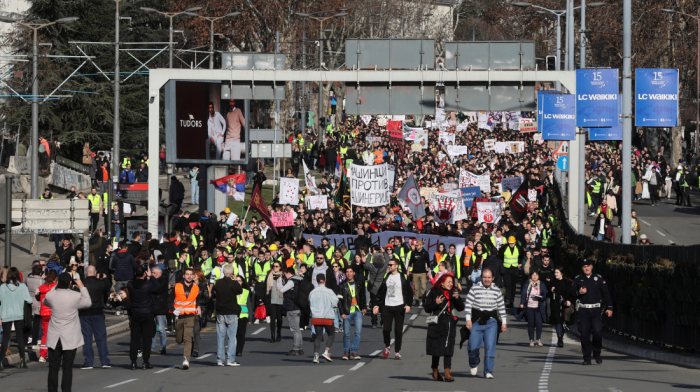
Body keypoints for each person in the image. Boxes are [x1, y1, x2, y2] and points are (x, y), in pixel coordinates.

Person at [43, 273, 92, 392]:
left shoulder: (52, 295)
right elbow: (88, 303)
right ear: (70, 283)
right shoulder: (75, 296)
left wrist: (56, 286)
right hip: (69, 336)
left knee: (53, 368)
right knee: (67, 368)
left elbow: (45, 301)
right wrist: (82, 287)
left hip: (55, 337)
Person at [465, 268, 508, 379]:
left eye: (489, 277)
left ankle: (488, 371)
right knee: (473, 346)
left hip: (491, 322)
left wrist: (504, 322)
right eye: (484, 277)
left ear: (493, 278)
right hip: (477, 321)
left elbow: (501, 307)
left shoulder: (497, 290)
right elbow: (468, 304)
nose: (487, 280)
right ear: (481, 278)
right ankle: (474, 362)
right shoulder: (475, 288)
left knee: (490, 346)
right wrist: (468, 319)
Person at [570, 259, 613, 365]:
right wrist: (578, 292)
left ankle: (597, 352)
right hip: (583, 310)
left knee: (597, 332)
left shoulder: (598, 278)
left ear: (592, 266)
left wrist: (610, 307)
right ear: (582, 268)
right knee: (584, 334)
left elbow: (606, 293)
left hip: (595, 310)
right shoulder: (578, 279)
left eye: (588, 266)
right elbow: (571, 293)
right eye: (584, 266)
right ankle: (586, 357)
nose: (586, 268)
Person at [424, 274, 464, 382]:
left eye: (452, 282)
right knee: (437, 348)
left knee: (448, 347)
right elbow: (427, 308)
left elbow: (461, 308)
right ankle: (435, 369)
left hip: (449, 322)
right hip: (438, 323)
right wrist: (435, 303)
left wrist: (457, 298)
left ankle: (447, 372)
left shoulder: (453, 293)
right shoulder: (434, 292)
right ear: (442, 282)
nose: (451, 284)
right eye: (448, 282)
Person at [373, 257, 413, 360]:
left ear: (397, 266)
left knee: (398, 330)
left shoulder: (403, 277)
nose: (389, 266)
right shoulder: (386, 276)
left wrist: (408, 304)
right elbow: (381, 292)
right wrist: (377, 304)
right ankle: (387, 346)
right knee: (386, 329)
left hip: (399, 306)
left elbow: (409, 292)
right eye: (388, 265)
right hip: (387, 306)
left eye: (391, 265)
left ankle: (397, 351)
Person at [126, 265, 161, 369]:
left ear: (135, 274)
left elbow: (132, 281)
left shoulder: (130, 284)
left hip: (135, 313)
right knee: (147, 339)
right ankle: (145, 361)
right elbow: (157, 286)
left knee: (134, 338)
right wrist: (152, 276)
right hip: (147, 313)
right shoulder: (148, 285)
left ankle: (133, 361)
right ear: (145, 274)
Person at [79, 266, 112, 369]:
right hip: (98, 312)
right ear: (95, 272)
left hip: (84, 312)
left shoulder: (82, 283)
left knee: (87, 337)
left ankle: (89, 362)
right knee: (101, 337)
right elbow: (108, 288)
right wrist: (105, 278)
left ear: (86, 272)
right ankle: (105, 361)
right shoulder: (100, 282)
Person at [0, 267, 33, 369]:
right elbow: (29, 300)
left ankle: (1, 361)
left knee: (5, 337)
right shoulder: (22, 286)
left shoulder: (3, 287)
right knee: (20, 337)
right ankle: (22, 360)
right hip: (19, 314)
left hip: (5, 314)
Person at [213, 264, 243, 366]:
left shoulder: (218, 283)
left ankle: (220, 360)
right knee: (232, 337)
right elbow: (240, 290)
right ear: (232, 273)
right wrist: (235, 280)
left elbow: (214, 293)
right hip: (232, 312)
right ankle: (230, 359)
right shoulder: (233, 283)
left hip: (221, 311)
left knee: (220, 337)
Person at [174, 268, 202, 370]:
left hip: (190, 316)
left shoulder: (195, 287)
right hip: (179, 316)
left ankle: (186, 360)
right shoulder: (177, 286)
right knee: (179, 339)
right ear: (184, 276)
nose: (189, 276)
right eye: (187, 274)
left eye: (191, 274)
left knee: (188, 338)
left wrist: (198, 306)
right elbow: (169, 300)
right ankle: (178, 338)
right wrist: (173, 310)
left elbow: (197, 299)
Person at [338, 265, 366, 360]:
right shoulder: (342, 285)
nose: (349, 273)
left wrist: (364, 307)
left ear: (354, 273)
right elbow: (339, 301)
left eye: (350, 271)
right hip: (347, 311)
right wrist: (341, 312)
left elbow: (362, 296)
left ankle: (354, 352)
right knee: (346, 333)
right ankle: (346, 352)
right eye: (347, 272)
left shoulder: (359, 283)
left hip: (357, 310)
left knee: (358, 332)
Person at [309, 274, 338, 363]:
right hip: (327, 316)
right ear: (325, 280)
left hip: (316, 317)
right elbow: (335, 303)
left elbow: (310, 303)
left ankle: (316, 356)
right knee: (331, 334)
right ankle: (326, 351)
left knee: (318, 336)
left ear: (317, 281)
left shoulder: (312, 292)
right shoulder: (329, 291)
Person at [277, 266, 304, 356]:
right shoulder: (300, 280)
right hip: (297, 307)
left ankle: (296, 348)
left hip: (292, 307)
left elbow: (282, 289)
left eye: (285, 274)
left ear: (289, 273)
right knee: (297, 329)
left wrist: (280, 281)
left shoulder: (292, 281)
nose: (284, 275)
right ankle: (299, 348)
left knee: (295, 329)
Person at [520, 270, 547, 347]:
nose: (534, 276)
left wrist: (540, 298)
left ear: (538, 276)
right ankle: (531, 340)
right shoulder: (527, 284)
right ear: (531, 276)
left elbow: (545, 295)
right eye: (533, 275)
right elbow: (523, 294)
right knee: (531, 324)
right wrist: (522, 303)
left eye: (536, 275)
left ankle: (538, 339)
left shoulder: (541, 285)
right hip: (529, 306)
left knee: (539, 323)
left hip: (538, 307)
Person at [364, 246, 388, 329]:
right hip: (382, 287)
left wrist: (370, 255)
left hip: (373, 288)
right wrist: (384, 252)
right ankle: (383, 322)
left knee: (374, 305)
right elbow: (387, 261)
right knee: (383, 306)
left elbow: (366, 264)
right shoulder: (384, 267)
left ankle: (374, 323)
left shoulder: (371, 266)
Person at [550, 266, 571, 348]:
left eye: (557, 272)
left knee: (564, 321)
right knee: (557, 321)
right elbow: (549, 294)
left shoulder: (567, 282)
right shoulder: (553, 282)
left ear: (561, 273)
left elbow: (570, 293)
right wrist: (551, 291)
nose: (555, 274)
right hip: (555, 303)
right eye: (555, 272)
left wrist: (569, 300)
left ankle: (561, 335)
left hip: (565, 303)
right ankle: (559, 339)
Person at [498, 236, 522, 308]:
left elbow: (521, 255)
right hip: (507, 269)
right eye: (510, 243)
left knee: (513, 286)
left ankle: (512, 300)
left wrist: (520, 263)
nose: (511, 244)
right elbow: (500, 256)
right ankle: (507, 300)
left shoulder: (518, 248)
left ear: (515, 242)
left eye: (513, 243)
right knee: (507, 285)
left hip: (514, 269)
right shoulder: (504, 248)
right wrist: (502, 266)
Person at [150, 266, 169, 355]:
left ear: (159, 274)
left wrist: (152, 279)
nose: (152, 275)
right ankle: (152, 347)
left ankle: (162, 347)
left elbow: (157, 289)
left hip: (160, 307)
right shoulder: (151, 281)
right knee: (152, 329)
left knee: (161, 329)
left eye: (153, 273)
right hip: (152, 307)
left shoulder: (163, 281)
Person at [266, 262, 284, 343]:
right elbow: (266, 287)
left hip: (280, 298)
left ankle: (279, 333)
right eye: (274, 266)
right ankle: (272, 335)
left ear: (280, 267)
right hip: (272, 299)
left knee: (279, 318)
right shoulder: (269, 275)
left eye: (277, 266)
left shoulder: (283, 276)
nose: (275, 268)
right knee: (272, 318)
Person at [407, 240, 430, 306]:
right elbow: (410, 262)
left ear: (421, 245)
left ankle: (423, 300)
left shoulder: (425, 253)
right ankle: (417, 300)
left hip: (423, 273)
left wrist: (429, 271)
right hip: (415, 273)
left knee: (423, 287)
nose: (416, 246)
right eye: (416, 245)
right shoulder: (413, 253)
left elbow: (428, 262)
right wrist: (408, 271)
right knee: (416, 288)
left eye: (417, 245)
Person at [234, 275, 250, 357]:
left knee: (241, 333)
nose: (238, 282)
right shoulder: (232, 291)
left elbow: (249, 304)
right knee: (234, 333)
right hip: (234, 314)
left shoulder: (246, 291)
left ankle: (239, 350)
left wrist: (250, 317)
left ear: (242, 282)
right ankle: (233, 349)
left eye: (239, 280)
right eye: (236, 281)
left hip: (243, 315)